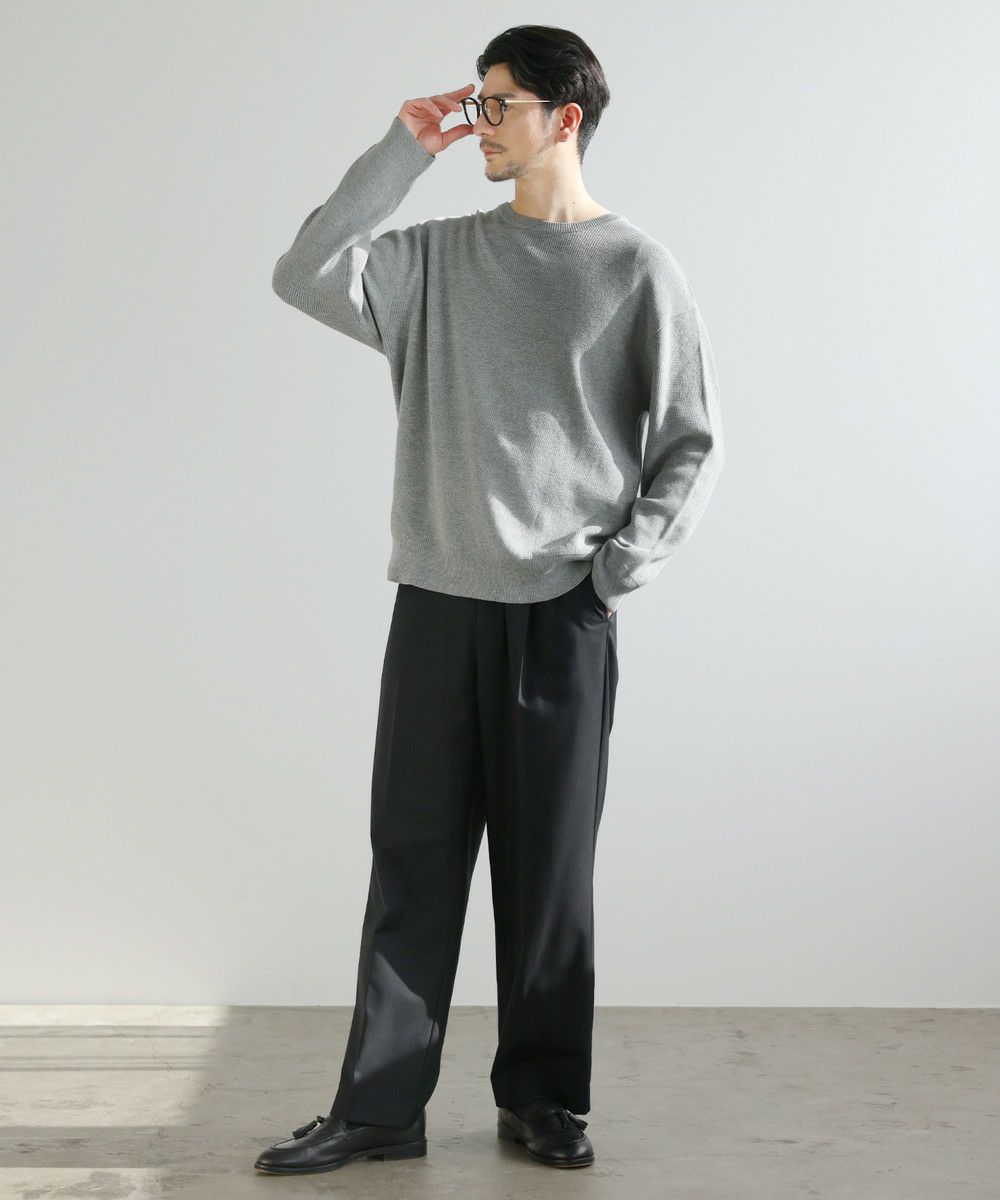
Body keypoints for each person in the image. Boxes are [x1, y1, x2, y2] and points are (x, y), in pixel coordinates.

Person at [254, 23, 724, 1177]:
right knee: (410, 867)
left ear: (564, 117)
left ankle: (545, 1101)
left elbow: (689, 442)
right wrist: (404, 147)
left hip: (562, 613)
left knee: (547, 876)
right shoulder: (435, 260)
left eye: (497, 103)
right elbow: (303, 270)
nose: (479, 122)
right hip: (435, 603)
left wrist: (615, 573)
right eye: (475, 101)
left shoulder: (634, 269)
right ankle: (379, 1108)